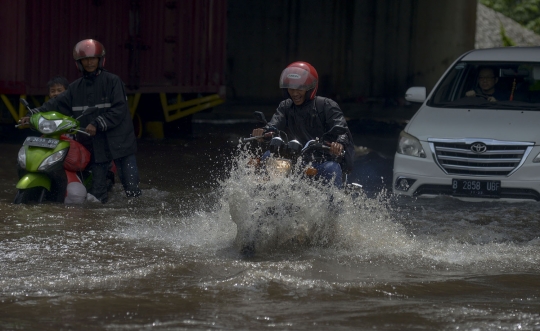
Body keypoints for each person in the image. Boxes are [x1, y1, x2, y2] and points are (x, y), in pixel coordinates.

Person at [22, 39, 141, 203]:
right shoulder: (75, 87)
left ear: (100, 60)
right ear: (79, 63)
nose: (90, 62)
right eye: (85, 59)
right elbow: (55, 104)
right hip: (96, 147)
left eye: (93, 58)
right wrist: (33, 115)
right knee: (97, 196)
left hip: (120, 144)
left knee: (132, 190)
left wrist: (97, 122)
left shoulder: (113, 81)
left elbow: (119, 110)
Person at [251, 61, 354, 188]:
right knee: (267, 157)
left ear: (309, 88)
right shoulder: (285, 106)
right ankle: (259, 199)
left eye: (299, 89)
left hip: (321, 159)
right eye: (291, 88)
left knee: (331, 169)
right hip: (294, 157)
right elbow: (274, 123)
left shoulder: (326, 105)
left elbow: (341, 128)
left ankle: (333, 207)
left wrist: (339, 143)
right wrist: (264, 131)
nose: (294, 93)